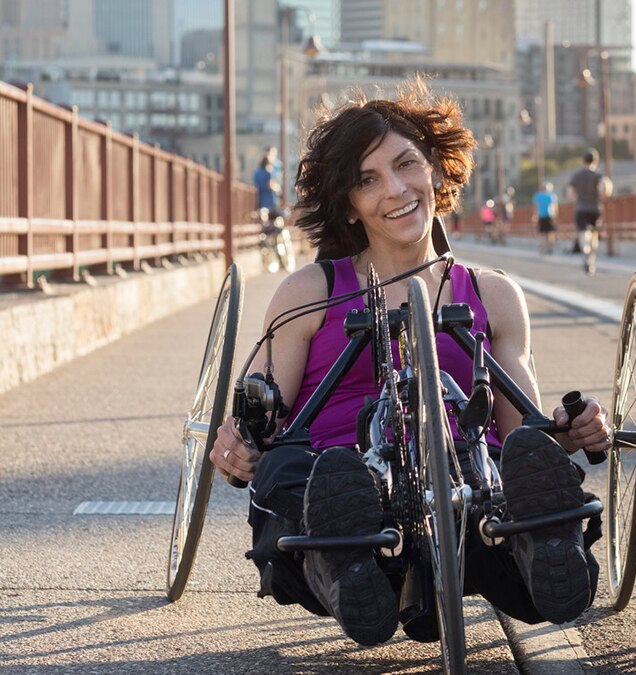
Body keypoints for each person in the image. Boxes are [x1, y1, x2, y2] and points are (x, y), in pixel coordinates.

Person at [209, 77, 612, 647]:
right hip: (339, 481)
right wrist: (237, 446)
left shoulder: (492, 294)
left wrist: (565, 435)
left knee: (525, 463)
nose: (395, 189)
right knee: (296, 475)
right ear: (347, 203)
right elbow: (261, 412)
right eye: (367, 180)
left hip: (465, 488)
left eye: (406, 165)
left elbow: (520, 429)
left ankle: (543, 550)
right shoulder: (309, 292)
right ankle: (346, 569)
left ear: (436, 169)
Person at [567, 148, 612, 275]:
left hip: (581, 208)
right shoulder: (598, 175)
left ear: (583, 161)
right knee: (594, 235)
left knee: (583, 233)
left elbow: (570, 193)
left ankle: (585, 254)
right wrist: (602, 194)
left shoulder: (577, 175)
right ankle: (591, 261)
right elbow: (607, 187)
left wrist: (577, 198)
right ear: (595, 161)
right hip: (595, 208)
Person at [254, 149, 282, 222]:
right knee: (273, 222)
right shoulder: (268, 173)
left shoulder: (257, 172)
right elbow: (270, 185)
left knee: (263, 221)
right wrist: (277, 188)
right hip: (270, 201)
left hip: (260, 200)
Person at [533, 182, 558, 255]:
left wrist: (534, 216)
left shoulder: (537, 196)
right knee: (550, 233)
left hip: (541, 216)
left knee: (542, 233)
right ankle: (550, 248)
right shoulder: (552, 196)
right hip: (550, 216)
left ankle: (542, 248)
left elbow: (535, 207)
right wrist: (556, 217)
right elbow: (555, 207)